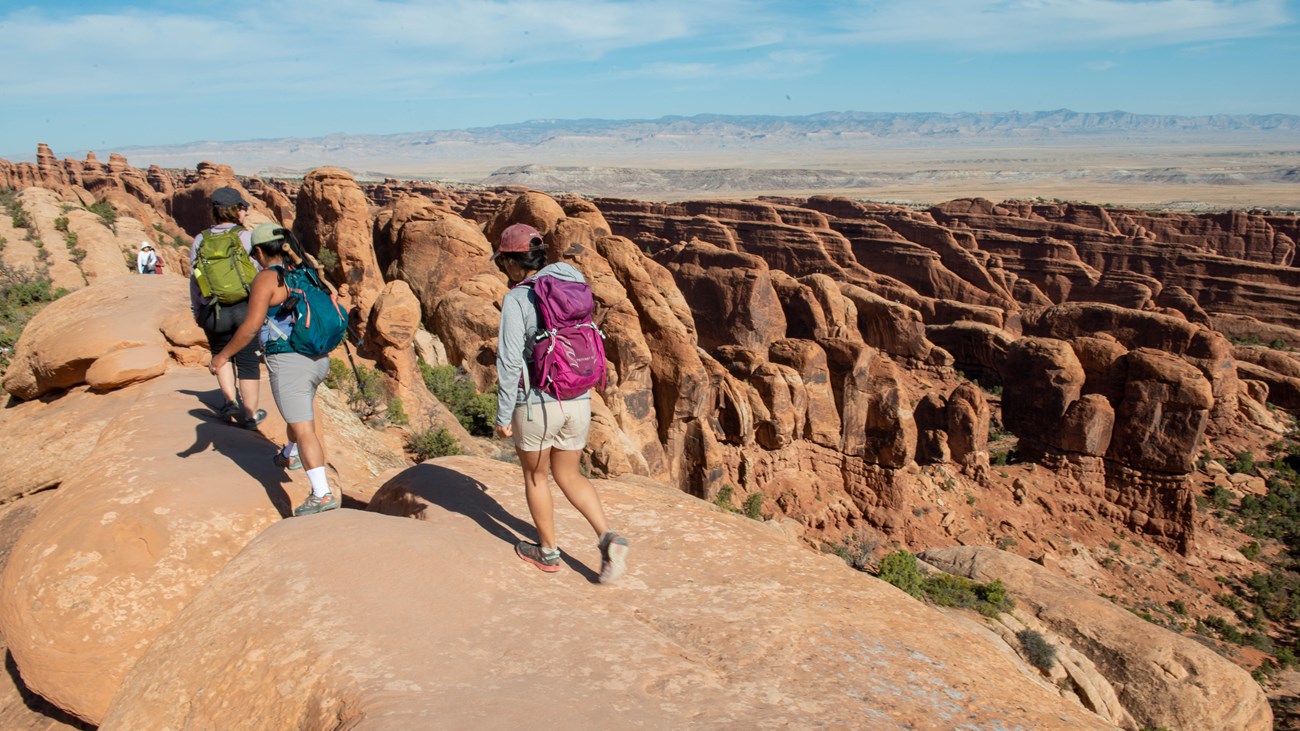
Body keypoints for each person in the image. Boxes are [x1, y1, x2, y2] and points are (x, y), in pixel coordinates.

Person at [493, 223, 629, 582]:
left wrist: (503, 414)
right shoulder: (570, 284)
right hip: (577, 399)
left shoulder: (518, 298)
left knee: (536, 477)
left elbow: (508, 361)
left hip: (536, 404)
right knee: (569, 474)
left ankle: (548, 551)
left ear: (511, 260)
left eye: (502, 260)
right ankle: (607, 537)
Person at [210, 223, 338, 517]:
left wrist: (223, 356)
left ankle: (322, 494)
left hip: (290, 360)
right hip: (318, 358)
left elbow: (251, 327)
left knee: (304, 427)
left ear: (257, 251)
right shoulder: (304, 271)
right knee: (299, 412)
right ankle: (288, 455)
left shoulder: (267, 279)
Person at [191, 186, 265, 430]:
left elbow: (195, 278)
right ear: (237, 210)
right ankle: (251, 415)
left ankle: (230, 402)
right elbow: (260, 273)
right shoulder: (246, 237)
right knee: (248, 363)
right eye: (242, 208)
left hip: (214, 309)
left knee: (220, 353)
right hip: (245, 309)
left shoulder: (200, 240)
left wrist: (198, 310)